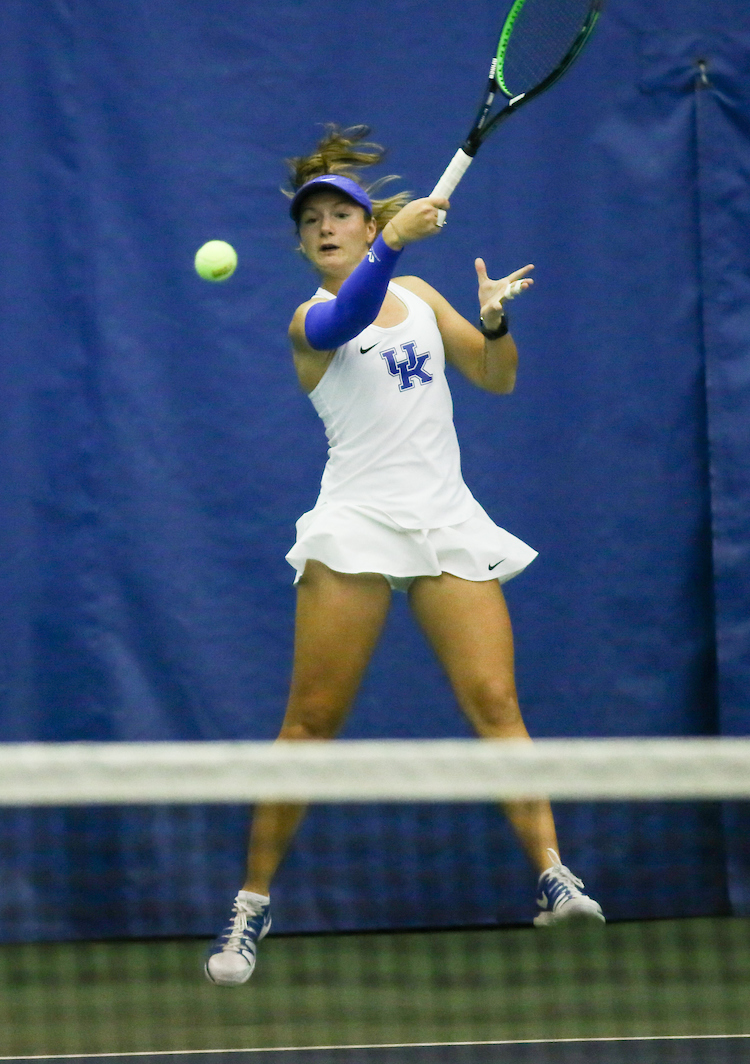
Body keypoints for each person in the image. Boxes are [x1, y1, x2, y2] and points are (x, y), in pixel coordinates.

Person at [206, 126, 603, 986]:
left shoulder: (421, 293)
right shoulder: (311, 320)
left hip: (445, 518)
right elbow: (350, 313)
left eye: (340, 214)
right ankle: (250, 907)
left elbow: (496, 379)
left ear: (360, 217)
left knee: (496, 700)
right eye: (310, 219)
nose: (324, 227)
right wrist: (391, 241)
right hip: (356, 522)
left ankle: (551, 873)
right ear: (304, 241)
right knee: (310, 725)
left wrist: (494, 321)